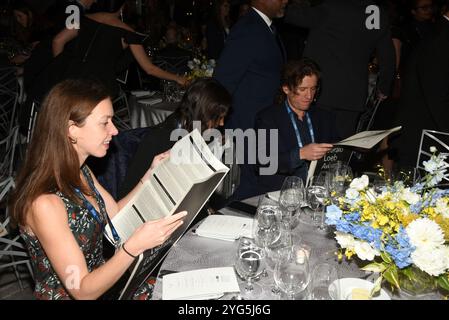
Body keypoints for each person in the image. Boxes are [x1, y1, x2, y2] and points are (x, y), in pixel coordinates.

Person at [9, 79, 187, 300]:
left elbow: (116, 215)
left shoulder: (80, 171)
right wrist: (133, 247)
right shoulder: (44, 203)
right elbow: (81, 290)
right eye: (105, 122)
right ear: (71, 129)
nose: (114, 130)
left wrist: (150, 175)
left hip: (103, 282)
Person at [30, 0, 187, 103]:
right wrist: (177, 78)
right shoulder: (128, 31)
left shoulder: (82, 19)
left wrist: (62, 68)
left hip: (71, 81)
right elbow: (149, 69)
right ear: (122, 7)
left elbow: (58, 41)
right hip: (98, 86)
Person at [284, 0, 395, 139]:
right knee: (339, 150)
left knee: (312, 144)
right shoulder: (377, 12)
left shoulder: (332, 7)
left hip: (319, 92)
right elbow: (388, 57)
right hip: (353, 96)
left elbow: (291, 14)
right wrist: (384, 87)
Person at [213, 0, 288, 200]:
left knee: (262, 188)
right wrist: (219, 125)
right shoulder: (248, 29)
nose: (286, 1)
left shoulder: (266, 27)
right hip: (246, 128)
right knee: (245, 192)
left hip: (263, 126)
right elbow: (223, 82)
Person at [118, 77, 231, 199]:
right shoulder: (158, 140)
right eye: (218, 118)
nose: (221, 123)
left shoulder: (201, 133)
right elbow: (127, 193)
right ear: (203, 114)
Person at [255, 58, 336, 192]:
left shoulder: (324, 117)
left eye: (313, 88)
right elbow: (263, 163)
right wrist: (300, 154)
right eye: (303, 89)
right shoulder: (268, 118)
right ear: (286, 88)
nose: (309, 96)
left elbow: (336, 151)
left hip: (317, 191)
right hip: (281, 192)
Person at [392, 0, 449, 167]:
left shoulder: (440, 32)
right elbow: (436, 95)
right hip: (425, 139)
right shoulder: (441, 39)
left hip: (428, 136)